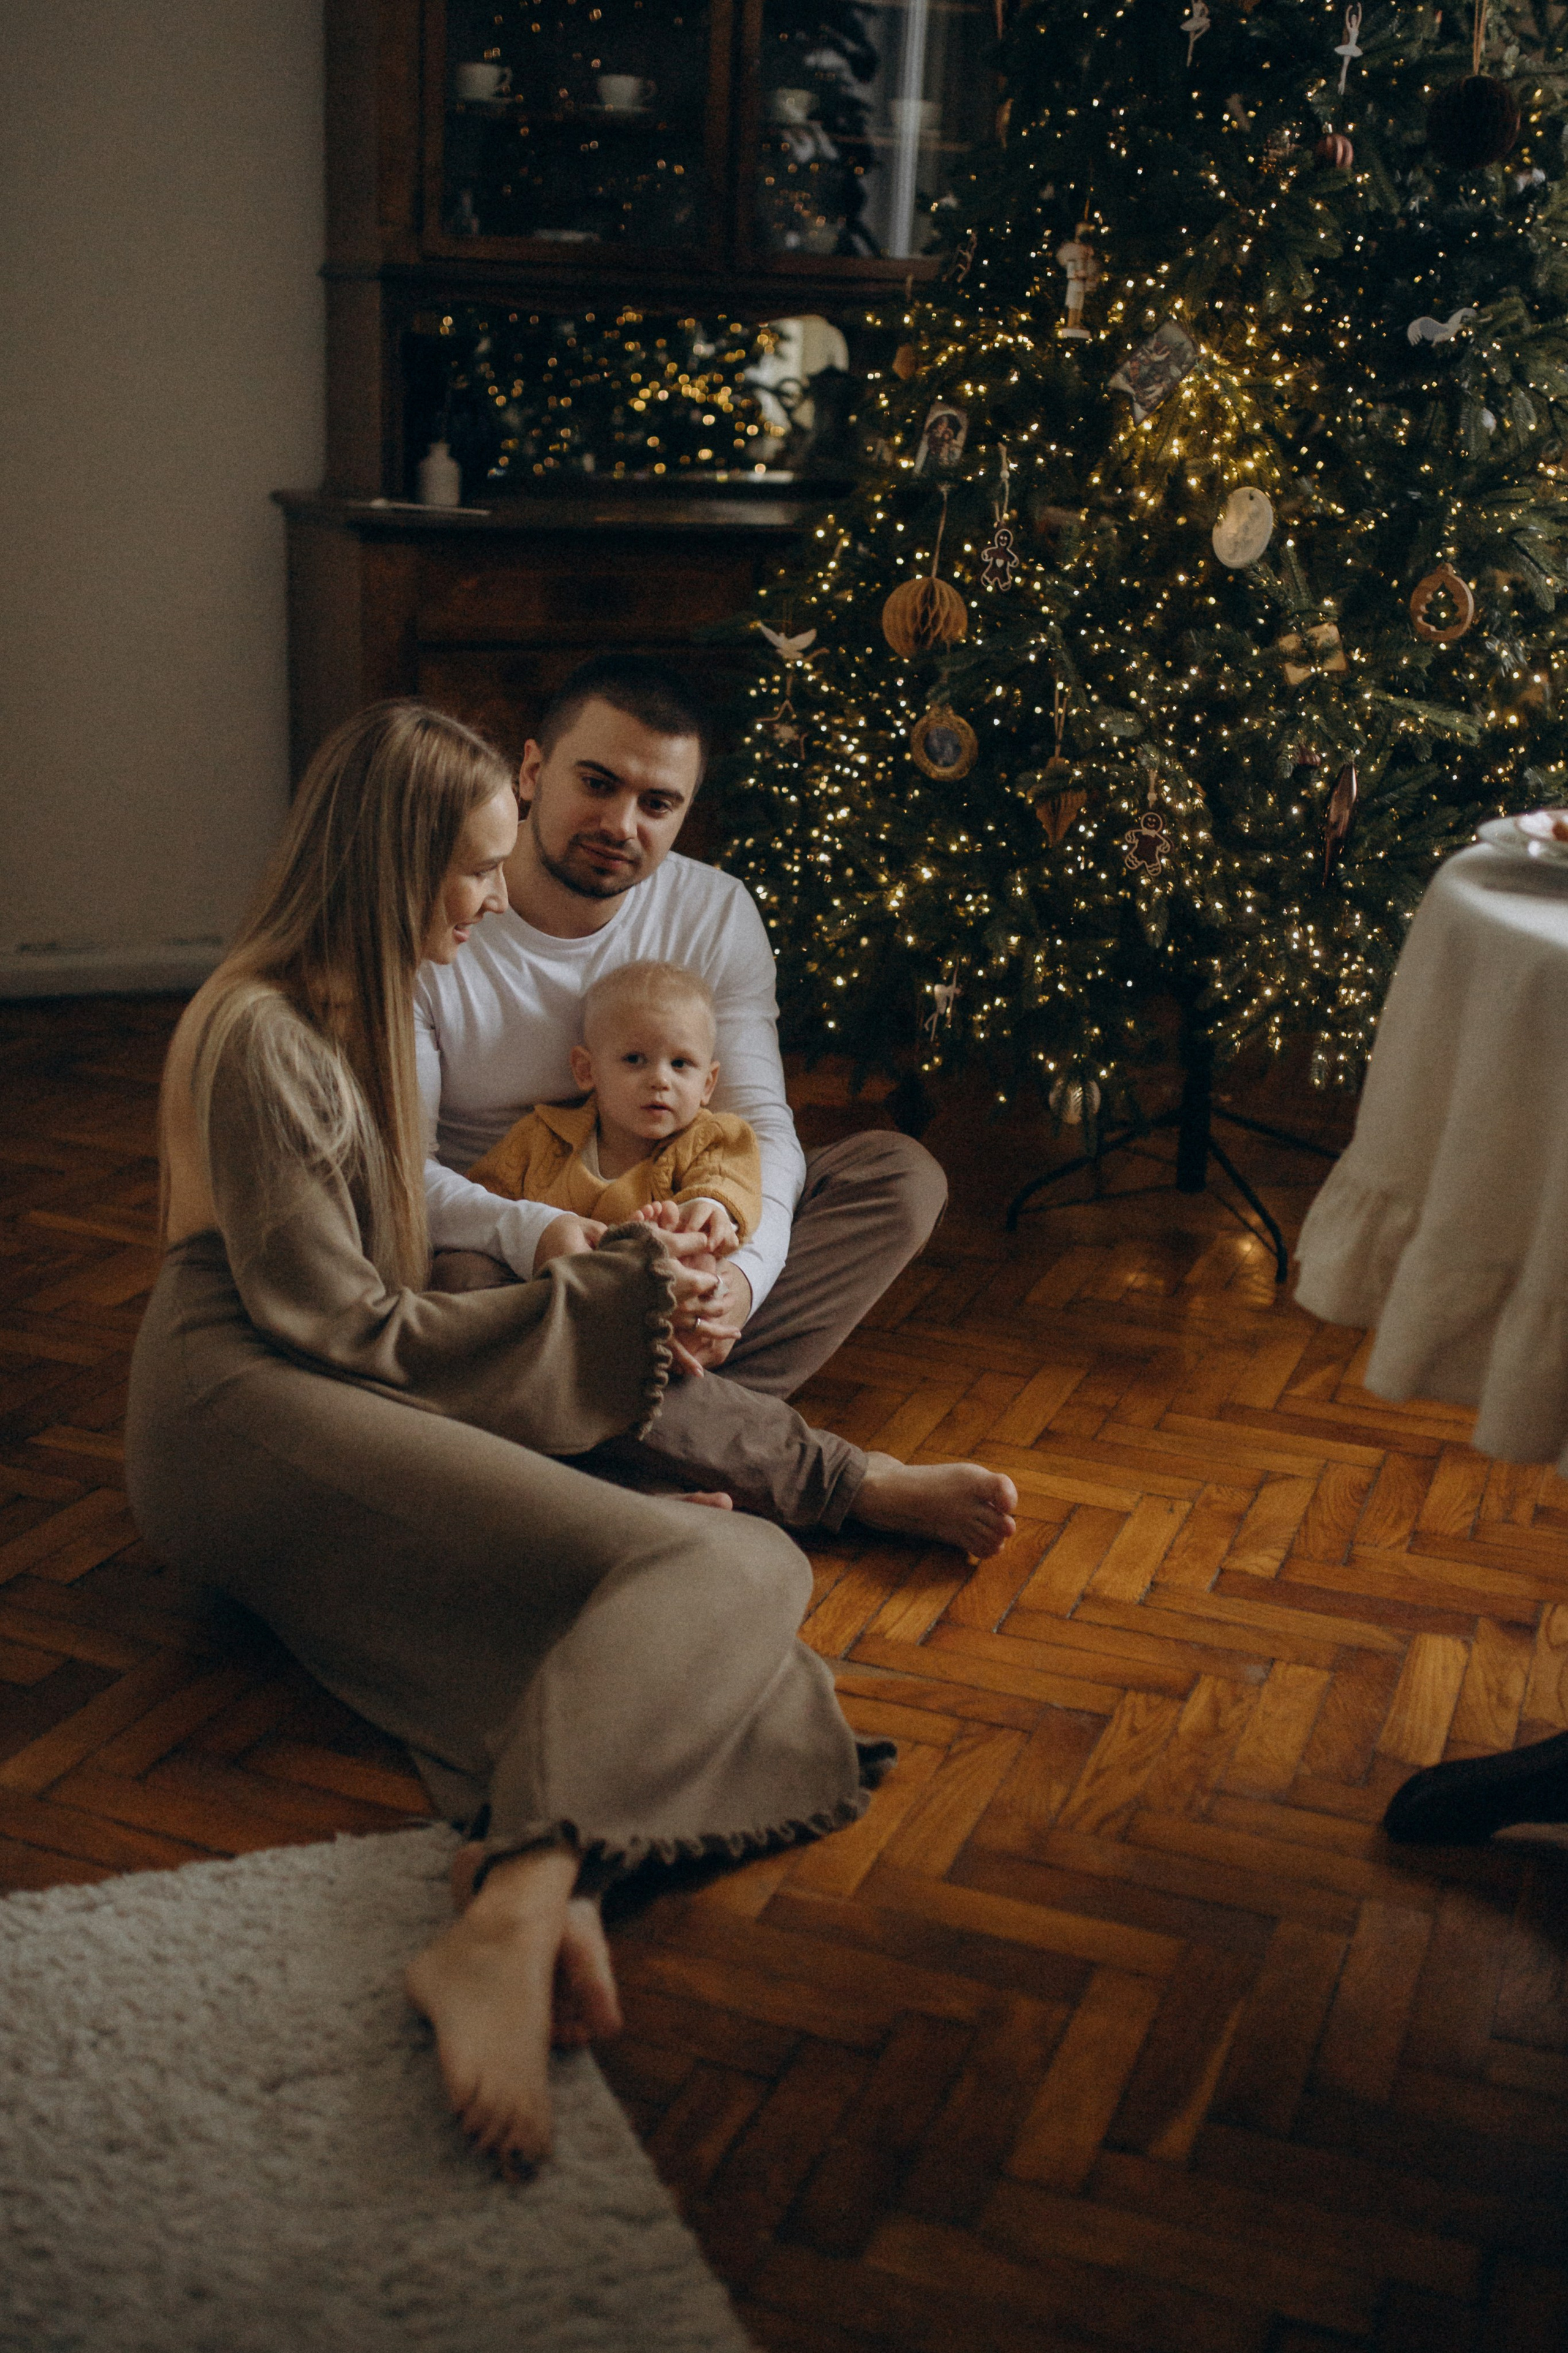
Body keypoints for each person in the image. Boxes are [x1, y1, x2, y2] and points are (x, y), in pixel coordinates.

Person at [126, 700, 891, 2174]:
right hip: (243, 1408)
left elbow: (387, 1296)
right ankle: (521, 1899)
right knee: (716, 1588)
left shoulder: (346, 1010)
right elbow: (341, 1323)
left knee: (728, 1589)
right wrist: (607, 1292)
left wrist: (609, 1312)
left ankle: (538, 1883)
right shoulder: (260, 1032)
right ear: (394, 862)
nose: (489, 900)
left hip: (319, 1369)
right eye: (473, 868)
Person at [417, 652, 1019, 1558]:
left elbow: (763, 1126)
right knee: (465, 1299)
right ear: (531, 773)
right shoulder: (444, 908)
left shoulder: (715, 910)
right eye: (598, 782)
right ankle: (841, 1481)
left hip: (680, 1244)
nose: (623, 824)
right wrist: (545, 1239)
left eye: (659, 804)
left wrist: (735, 1283)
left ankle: (617, 1460)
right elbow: (398, 1167)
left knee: (897, 1176)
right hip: (516, 1267)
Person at [467, 959, 762, 1250]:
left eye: (680, 1063)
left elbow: (727, 1181)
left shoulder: (710, 1139)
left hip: (652, 1289)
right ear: (586, 1070)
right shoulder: (540, 1137)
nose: (660, 1080)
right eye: (634, 1059)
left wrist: (709, 1207)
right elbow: (483, 1205)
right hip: (542, 1286)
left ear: (708, 1084)